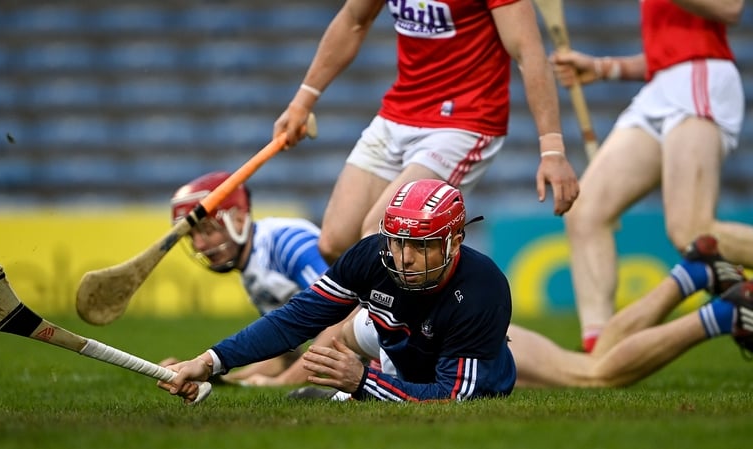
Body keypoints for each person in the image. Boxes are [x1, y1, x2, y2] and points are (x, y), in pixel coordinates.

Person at [274, 0, 580, 264]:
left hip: (464, 122)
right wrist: (302, 102)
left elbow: (528, 52)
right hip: (399, 112)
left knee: (380, 237)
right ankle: (417, 323)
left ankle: (414, 326)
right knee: (334, 244)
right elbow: (353, 21)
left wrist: (552, 149)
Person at [159, 179, 517, 403]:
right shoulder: (371, 255)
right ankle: (374, 377)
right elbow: (295, 320)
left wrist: (362, 381)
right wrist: (209, 362)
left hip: (451, 357)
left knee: (417, 377)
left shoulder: (482, 289)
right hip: (391, 333)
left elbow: (453, 398)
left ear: (454, 241)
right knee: (347, 329)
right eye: (397, 242)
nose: (404, 258)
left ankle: (365, 385)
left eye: (421, 246)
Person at [295, 234, 752, 398]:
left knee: (593, 374)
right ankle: (690, 274)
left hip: (477, 343)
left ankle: (723, 313)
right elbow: (332, 341)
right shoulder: (376, 314)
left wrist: (277, 380)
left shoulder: (369, 323)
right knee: (589, 358)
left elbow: (333, 340)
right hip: (476, 352)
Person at [548, 0, 753, 352]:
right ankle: (600, 351)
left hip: (700, 77)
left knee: (690, 231)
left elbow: (729, 8)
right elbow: (665, 54)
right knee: (585, 213)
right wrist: (602, 67)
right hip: (662, 87)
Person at [166, 170, 343, 386]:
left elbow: (343, 319)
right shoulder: (251, 265)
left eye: (207, 230)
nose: (199, 245)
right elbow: (286, 353)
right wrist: (221, 378)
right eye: (191, 236)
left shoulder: (289, 242)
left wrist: (284, 382)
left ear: (238, 219)